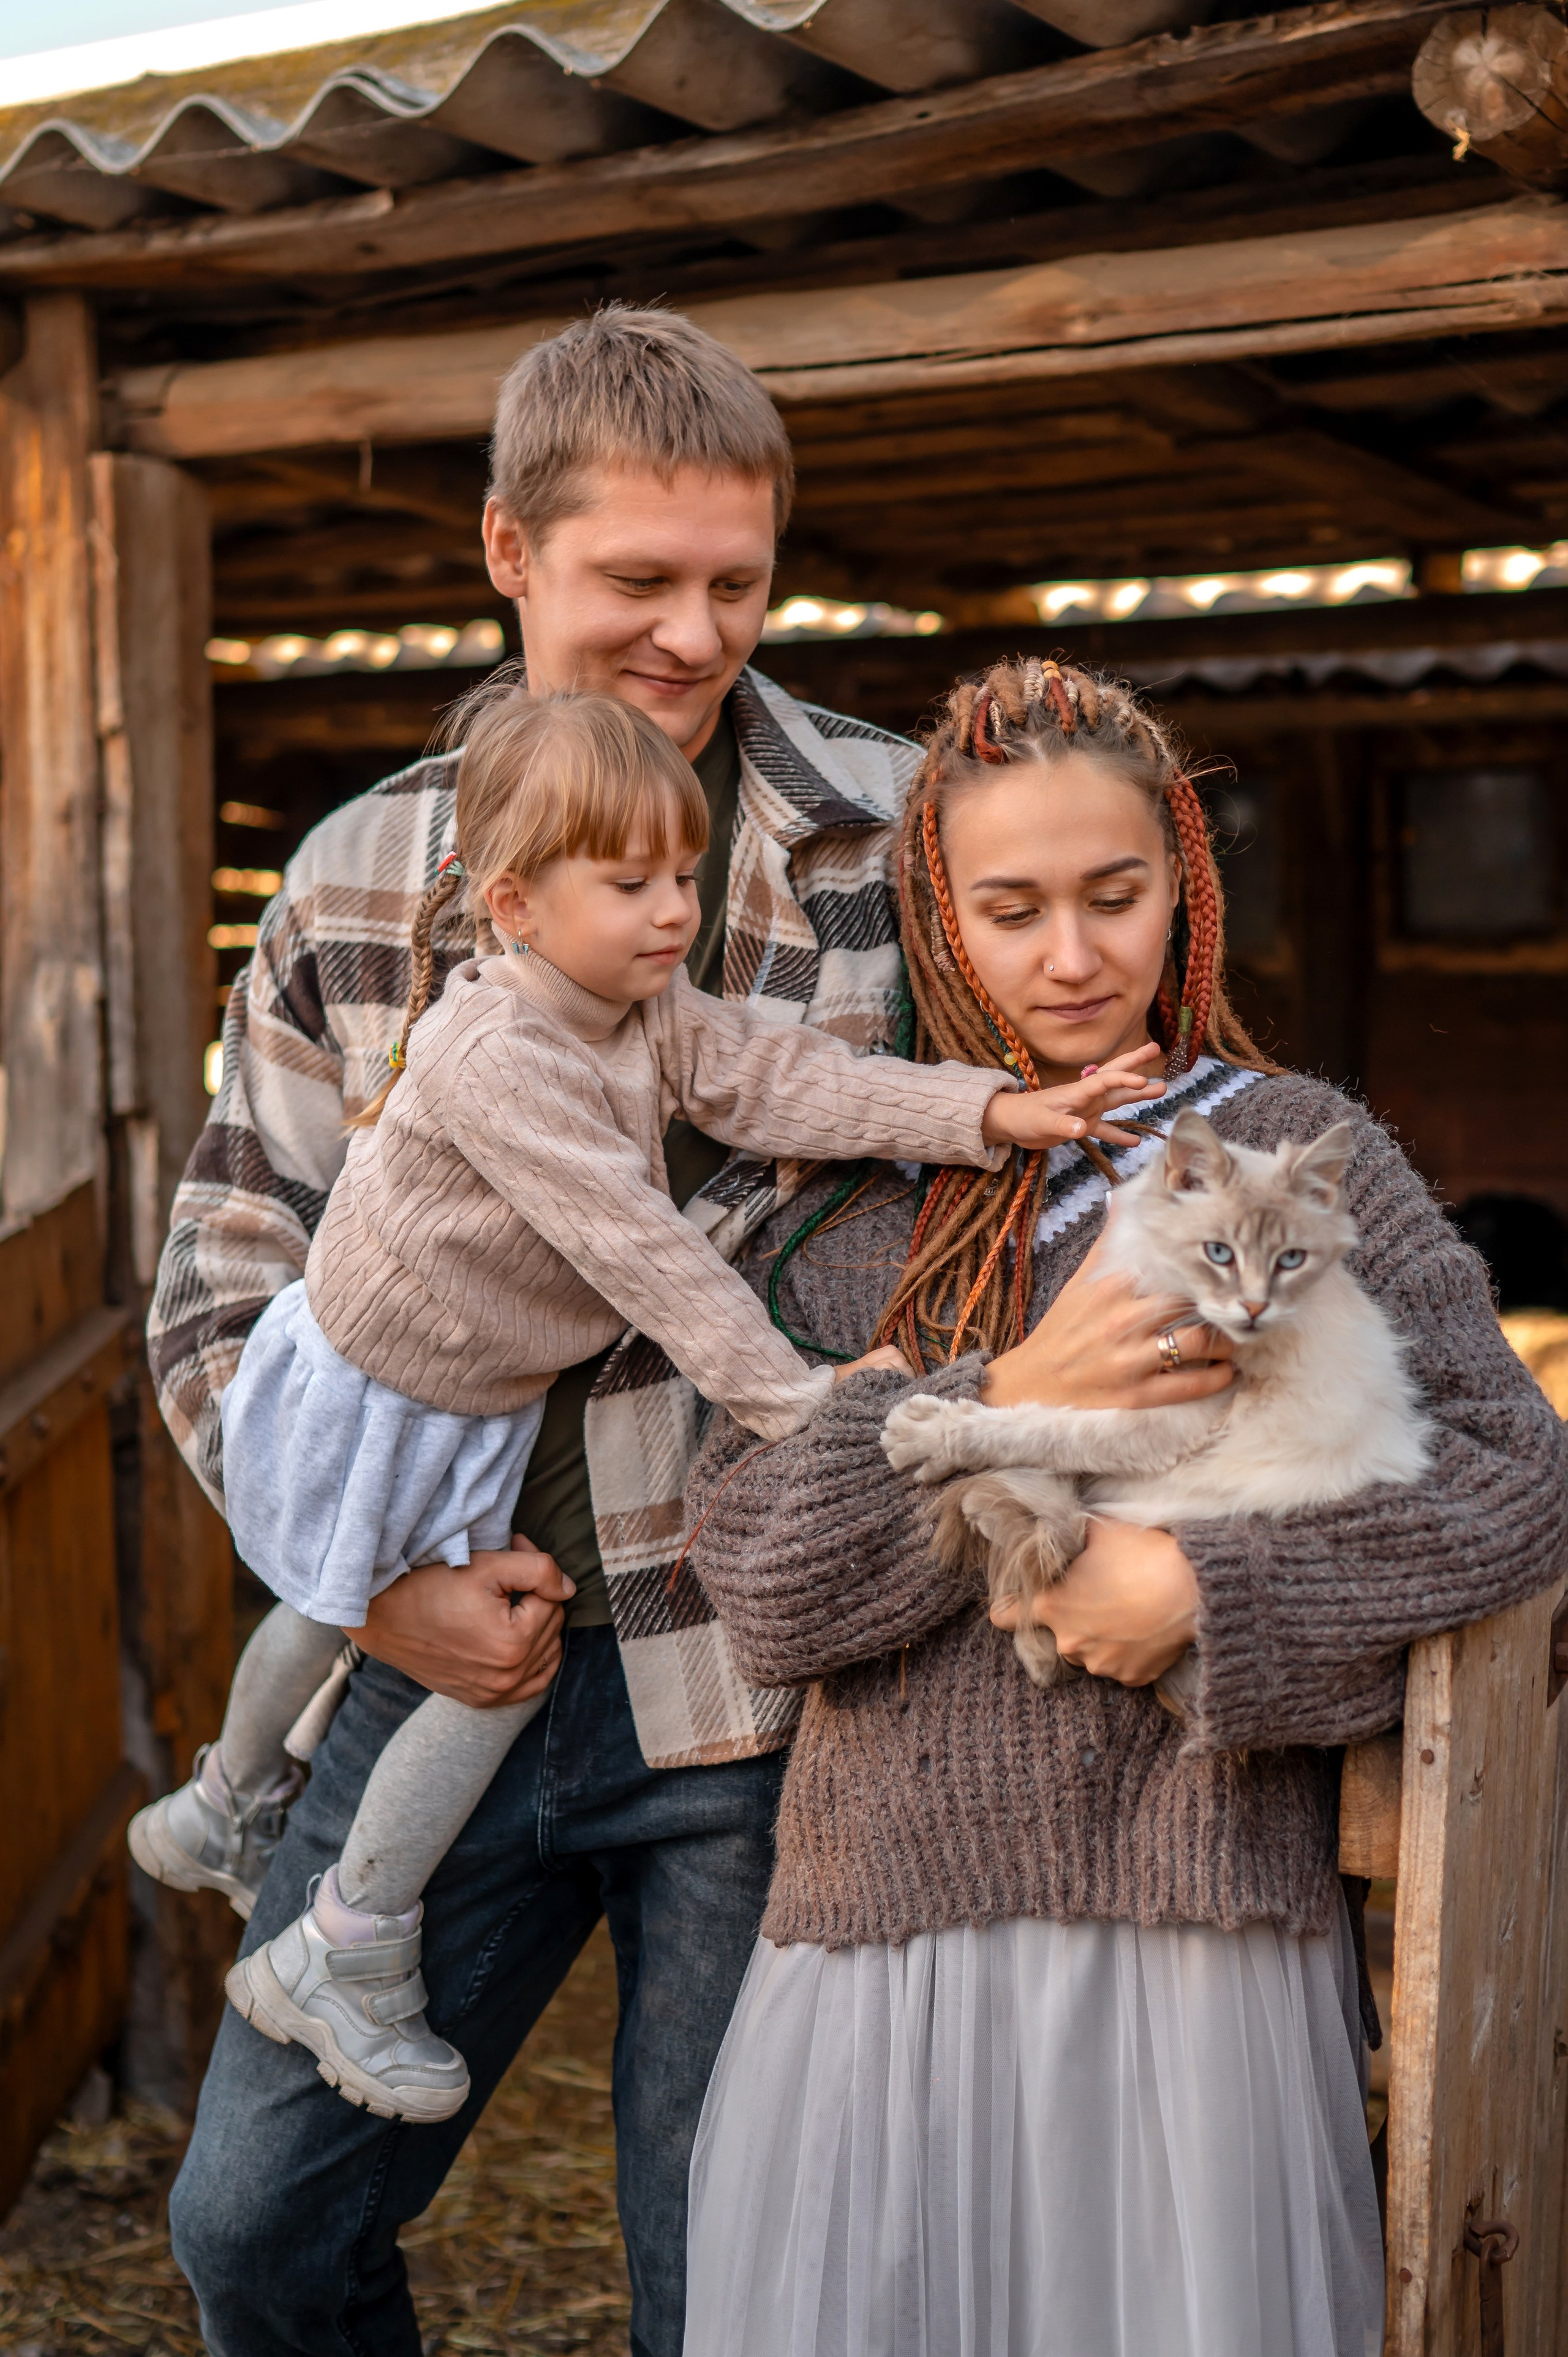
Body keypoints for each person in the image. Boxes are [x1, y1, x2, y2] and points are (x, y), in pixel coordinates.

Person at [148, 304, 933, 2356]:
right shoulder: (358, 875)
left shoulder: (901, 837)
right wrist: (369, 1576)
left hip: (765, 1678)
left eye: (738, 583)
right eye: (637, 582)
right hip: (436, 1659)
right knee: (255, 2227)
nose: (694, 634)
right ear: (507, 550)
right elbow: (225, 1276)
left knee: (730, 2278)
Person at [679, 657, 1568, 2357]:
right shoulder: (857, 1195)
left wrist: (1211, 1593)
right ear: (940, 918)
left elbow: (1514, 1478)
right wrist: (1004, 1390)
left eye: (1117, 896)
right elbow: (777, 1598)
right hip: (888, 1931)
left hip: (1191, 1933)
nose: (1071, 957)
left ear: (1189, 884)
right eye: (1011, 910)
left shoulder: (1306, 1156)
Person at [134, 682, 1150, 2125]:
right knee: (474, 1668)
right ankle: (344, 1940)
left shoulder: (632, 1002)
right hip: (378, 1389)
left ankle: (223, 1806)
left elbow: (774, 1077)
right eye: (632, 885)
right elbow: (642, 1251)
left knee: (326, 1604)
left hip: (462, 1390)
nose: (675, 910)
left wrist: (983, 1113)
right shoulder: (496, 1058)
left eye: (683, 874)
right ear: (515, 903)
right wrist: (794, 1403)